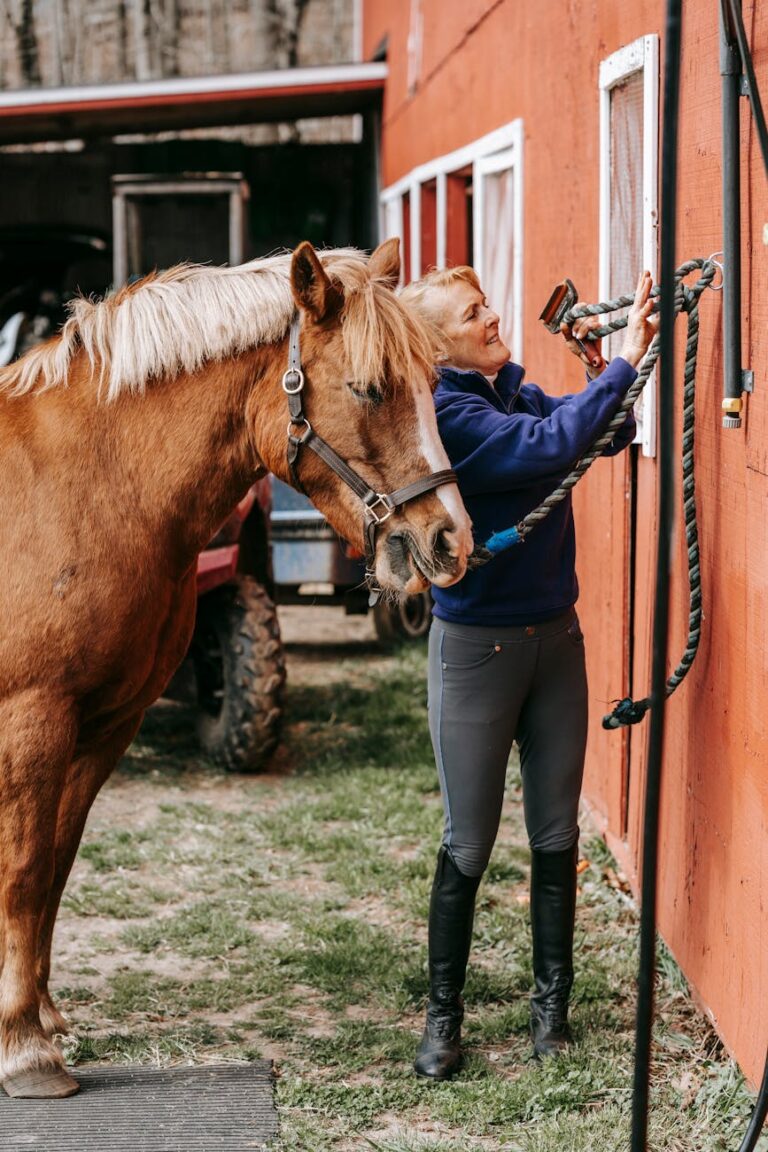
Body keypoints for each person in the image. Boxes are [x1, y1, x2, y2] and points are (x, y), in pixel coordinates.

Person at [398, 266, 658, 1079]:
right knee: (468, 843)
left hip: (556, 642)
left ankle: (552, 1012)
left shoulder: (509, 387)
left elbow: (600, 434)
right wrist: (624, 362)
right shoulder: (449, 412)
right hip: (478, 652)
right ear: (440, 345)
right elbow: (542, 449)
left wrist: (604, 366)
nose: (495, 317)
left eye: (488, 305)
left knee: (554, 834)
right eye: (475, 313)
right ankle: (444, 1020)